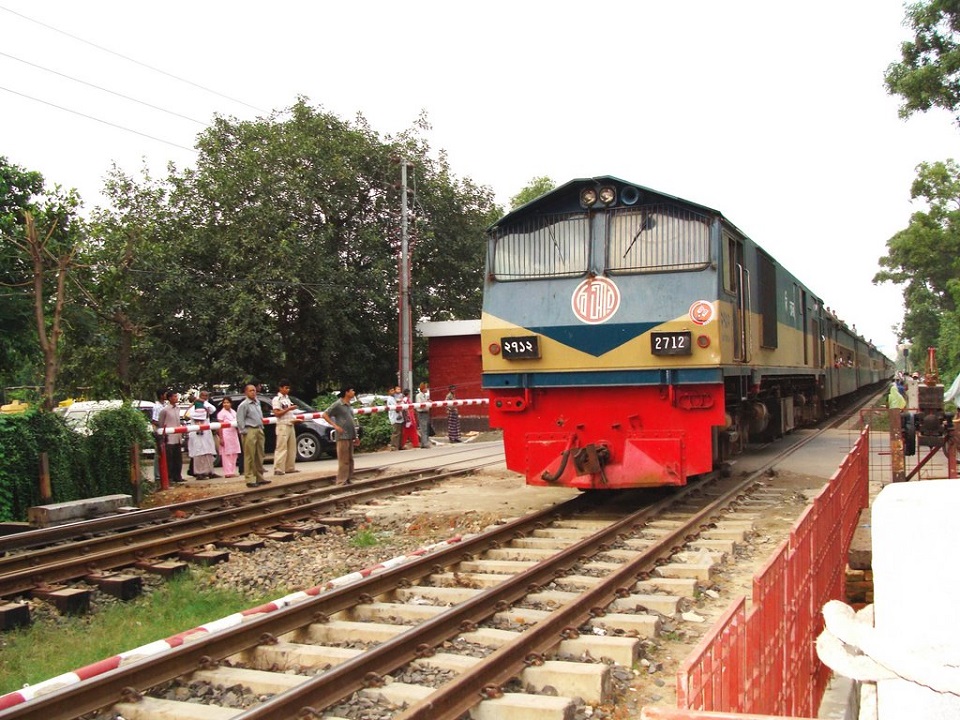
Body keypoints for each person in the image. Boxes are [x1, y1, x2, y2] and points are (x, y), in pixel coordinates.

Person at [322, 386, 360, 485]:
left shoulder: (349, 405)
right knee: (344, 459)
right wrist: (335, 426)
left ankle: (348, 478)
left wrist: (356, 436)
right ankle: (341, 480)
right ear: (346, 392)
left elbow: (351, 420)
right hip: (342, 436)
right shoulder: (338, 404)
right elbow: (325, 414)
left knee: (350, 459)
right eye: (352, 390)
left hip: (350, 435)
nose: (353, 392)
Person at [236, 383, 270, 488]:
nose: (253, 392)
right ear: (246, 392)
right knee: (249, 455)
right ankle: (250, 478)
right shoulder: (244, 405)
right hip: (249, 429)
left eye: (254, 390)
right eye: (251, 390)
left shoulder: (257, 402)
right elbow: (240, 420)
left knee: (259, 455)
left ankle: (259, 476)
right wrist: (244, 431)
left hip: (259, 429)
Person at [272, 379, 301, 475]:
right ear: (280, 388)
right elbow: (277, 413)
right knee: (281, 447)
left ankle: (289, 467)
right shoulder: (277, 399)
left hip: (290, 423)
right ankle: (278, 468)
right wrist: (289, 409)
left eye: (288, 388)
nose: (287, 390)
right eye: (286, 388)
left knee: (291, 447)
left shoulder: (287, 399)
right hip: (282, 425)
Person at [186, 395, 217, 479]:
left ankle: (210, 472)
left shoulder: (206, 406)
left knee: (208, 452)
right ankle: (199, 473)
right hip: (197, 434)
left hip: (206, 433)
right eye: (202, 397)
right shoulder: (192, 409)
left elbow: (213, 409)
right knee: (198, 453)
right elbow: (188, 415)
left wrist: (204, 402)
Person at [157, 390, 185, 484]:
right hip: (169, 437)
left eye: (176, 396)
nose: (176, 398)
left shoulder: (178, 408)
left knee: (178, 458)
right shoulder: (165, 410)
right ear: (169, 398)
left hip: (177, 436)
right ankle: (170, 477)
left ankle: (178, 476)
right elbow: (161, 423)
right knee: (170, 458)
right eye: (174, 397)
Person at [217, 397, 241, 478]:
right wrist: (221, 438)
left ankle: (232, 471)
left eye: (227, 402)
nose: (226, 404)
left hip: (233, 434)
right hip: (225, 434)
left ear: (231, 403)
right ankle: (228, 472)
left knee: (234, 453)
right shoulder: (221, 413)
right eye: (224, 403)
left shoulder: (233, 412)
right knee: (226, 454)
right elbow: (219, 426)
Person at [151, 388, 166, 482]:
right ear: (161, 395)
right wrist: (162, 425)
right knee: (159, 453)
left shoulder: (165, 405)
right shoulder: (157, 407)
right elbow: (154, 420)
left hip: (165, 431)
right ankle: (157, 475)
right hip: (159, 431)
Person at [387, 386, 405, 450]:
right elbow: (396, 408)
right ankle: (394, 446)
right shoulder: (390, 399)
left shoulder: (395, 397)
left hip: (399, 417)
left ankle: (400, 446)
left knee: (400, 432)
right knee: (396, 433)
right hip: (394, 417)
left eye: (393, 390)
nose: (393, 392)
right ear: (388, 392)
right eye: (391, 391)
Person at [415, 382, 431, 449]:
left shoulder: (425, 395)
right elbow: (420, 404)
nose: (427, 389)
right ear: (423, 388)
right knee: (423, 428)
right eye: (426, 387)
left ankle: (424, 442)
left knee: (426, 428)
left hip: (426, 412)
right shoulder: (419, 395)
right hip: (421, 413)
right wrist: (427, 404)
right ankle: (424, 443)